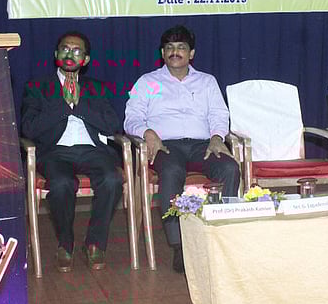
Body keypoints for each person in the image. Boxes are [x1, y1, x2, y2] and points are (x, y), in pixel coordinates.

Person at [124, 25, 240, 273]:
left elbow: (219, 113)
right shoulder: (148, 82)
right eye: (169, 48)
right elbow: (131, 117)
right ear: (162, 53)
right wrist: (148, 133)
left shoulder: (207, 81)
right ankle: (179, 246)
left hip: (202, 145)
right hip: (167, 145)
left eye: (181, 48)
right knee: (172, 170)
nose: (175, 52)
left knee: (229, 168)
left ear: (192, 53)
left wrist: (218, 136)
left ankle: (221, 234)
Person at [21, 31, 123, 272]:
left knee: (112, 179)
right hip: (55, 152)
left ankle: (95, 243)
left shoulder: (97, 88)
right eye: (65, 49)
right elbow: (29, 127)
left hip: (92, 150)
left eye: (77, 51)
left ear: (85, 60)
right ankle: (65, 242)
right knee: (61, 184)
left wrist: (79, 106)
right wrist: (64, 108)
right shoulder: (37, 87)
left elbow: (111, 125)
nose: (70, 54)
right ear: (56, 54)